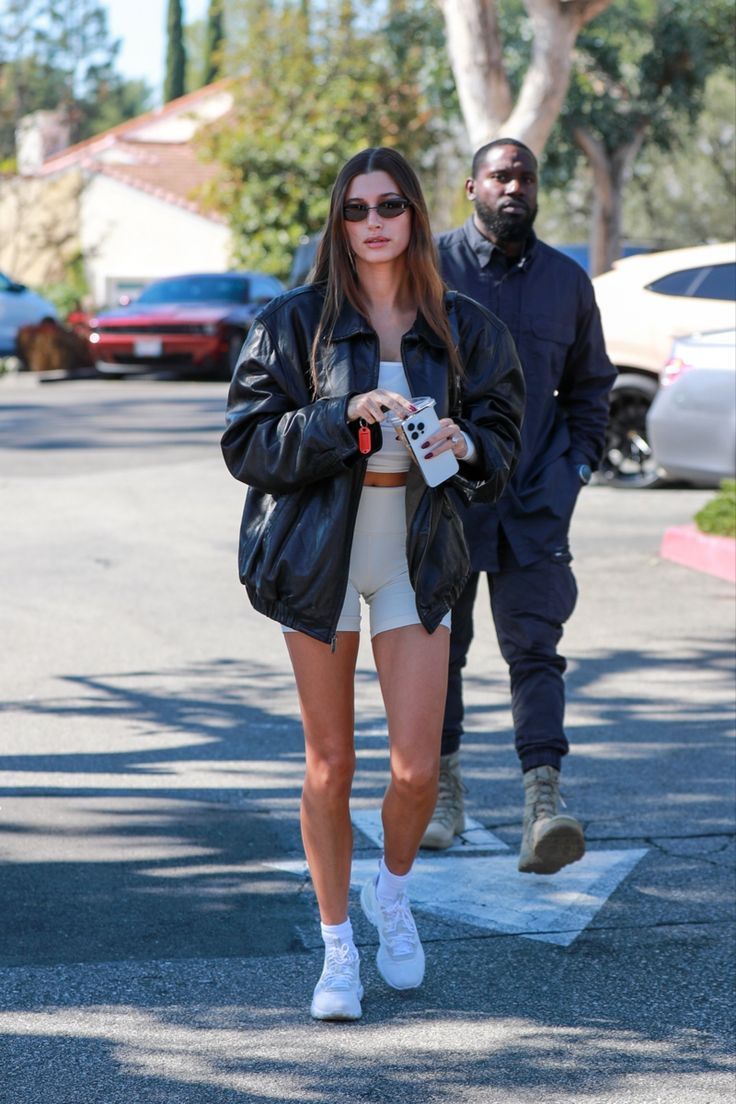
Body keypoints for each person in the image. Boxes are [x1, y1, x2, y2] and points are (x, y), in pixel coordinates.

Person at [222, 147, 524, 1021]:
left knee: (417, 770)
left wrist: (469, 446)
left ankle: (391, 895)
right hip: (319, 553)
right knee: (330, 764)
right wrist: (338, 417)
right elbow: (247, 443)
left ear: (417, 214)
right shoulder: (294, 322)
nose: (373, 221)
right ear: (338, 222)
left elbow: (502, 441)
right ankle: (336, 951)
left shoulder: (465, 326)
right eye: (355, 209)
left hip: (415, 551)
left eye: (389, 204)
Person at [421, 138, 616, 874]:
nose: (514, 187)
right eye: (500, 175)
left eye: (525, 177)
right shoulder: (430, 269)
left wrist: (575, 466)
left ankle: (544, 801)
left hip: (536, 499)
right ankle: (442, 792)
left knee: (536, 649)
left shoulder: (567, 281)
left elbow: (591, 387)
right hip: (444, 497)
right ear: (471, 185)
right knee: (439, 649)